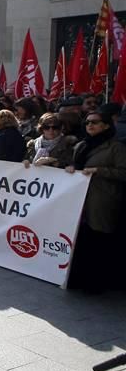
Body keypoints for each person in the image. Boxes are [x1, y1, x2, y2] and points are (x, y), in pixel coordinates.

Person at [65, 111, 126, 291]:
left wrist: (99, 170)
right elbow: (74, 165)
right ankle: (76, 280)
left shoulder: (116, 147)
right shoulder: (81, 145)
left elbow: (123, 172)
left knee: (97, 240)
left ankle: (95, 283)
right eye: (87, 123)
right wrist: (70, 169)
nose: (90, 126)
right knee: (81, 239)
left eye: (95, 122)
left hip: (102, 199)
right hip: (80, 200)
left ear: (106, 125)